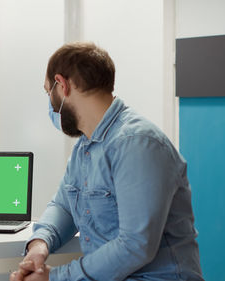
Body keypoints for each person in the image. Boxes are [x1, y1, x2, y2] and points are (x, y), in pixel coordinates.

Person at [10, 42, 203, 281]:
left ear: (62, 84)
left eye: (48, 92)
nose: (50, 104)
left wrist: (56, 277)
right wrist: (39, 245)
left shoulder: (138, 144)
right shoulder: (85, 147)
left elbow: (135, 245)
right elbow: (64, 207)